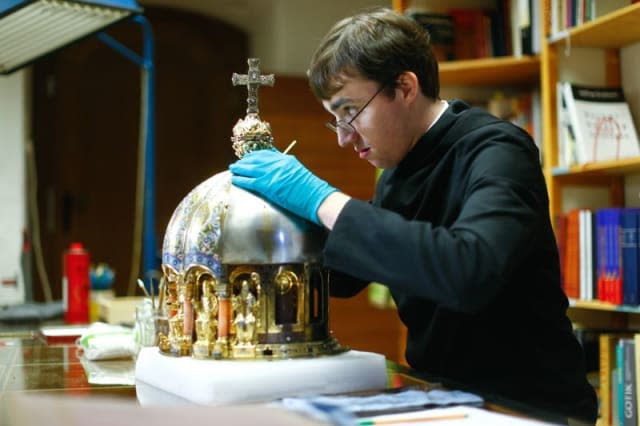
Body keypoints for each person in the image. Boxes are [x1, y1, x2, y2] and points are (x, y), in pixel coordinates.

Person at [229, 7, 597, 423]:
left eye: (350, 111)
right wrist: (265, 232)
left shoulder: (497, 149)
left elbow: (467, 270)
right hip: (446, 397)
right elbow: (352, 275)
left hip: (529, 408)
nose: (344, 137)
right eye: (335, 121)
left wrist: (319, 198)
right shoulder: (399, 170)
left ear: (404, 87)